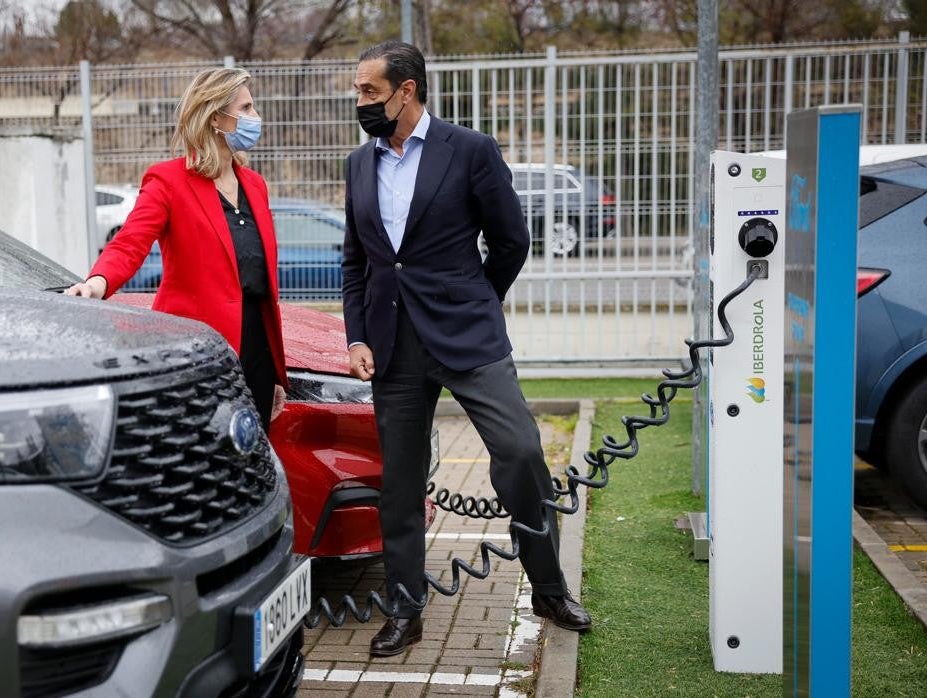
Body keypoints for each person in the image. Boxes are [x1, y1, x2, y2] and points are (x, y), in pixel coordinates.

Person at [341, 41, 593, 658]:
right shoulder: (357, 163)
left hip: (469, 336)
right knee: (399, 484)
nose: (360, 103)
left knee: (521, 451)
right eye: (357, 92)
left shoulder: (470, 150)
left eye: (369, 92)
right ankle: (405, 611)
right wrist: (355, 335)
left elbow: (511, 240)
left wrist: (479, 299)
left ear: (407, 91)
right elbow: (356, 261)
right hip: (392, 346)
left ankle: (549, 588)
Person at [64, 68, 287, 429]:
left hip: (257, 352)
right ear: (216, 117)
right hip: (197, 352)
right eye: (245, 108)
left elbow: (261, 282)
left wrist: (275, 371)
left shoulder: (255, 185)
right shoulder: (168, 180)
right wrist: (96, 284)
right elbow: (130, 242)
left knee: (252, 463)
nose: (255, 116)